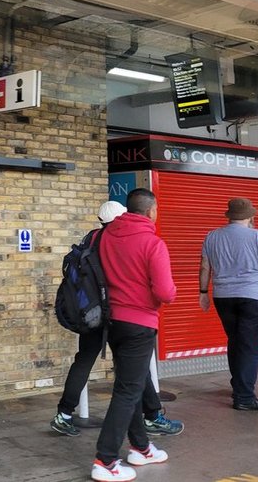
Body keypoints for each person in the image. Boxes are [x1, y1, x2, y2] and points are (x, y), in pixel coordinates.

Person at [51, 201, 182, 438]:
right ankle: (152, 417)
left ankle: (64, 413)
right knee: (135, 368)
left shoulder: (91, 238)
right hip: (117, 313)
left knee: (84, 362)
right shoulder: (120, 239)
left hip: (89, 312)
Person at [90, 189, 176, 482]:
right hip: (139, 324)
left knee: (133, 385)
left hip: (111, 322)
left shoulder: (106, 237)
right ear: (152, 211)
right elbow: (165, 292)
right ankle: (105, 461)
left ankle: (141, 448)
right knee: (127, 391)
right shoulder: (153, 243)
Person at [199, 197, 258, 411]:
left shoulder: (212, 236)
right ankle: (244, 397)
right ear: (251, 216)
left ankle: (239, 386)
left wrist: (203, 292)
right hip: (255, 297)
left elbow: (205, 267)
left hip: (223, 297)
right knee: (250, 347)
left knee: (235, 341)